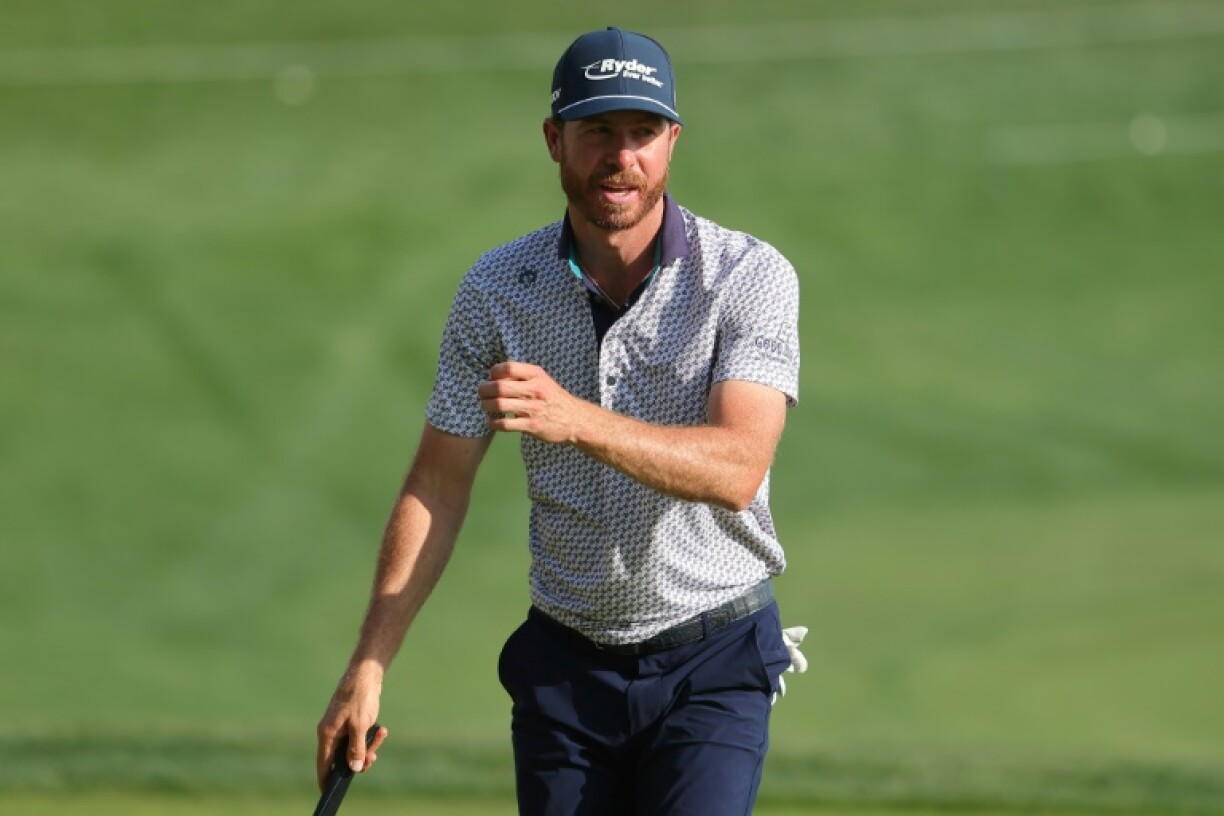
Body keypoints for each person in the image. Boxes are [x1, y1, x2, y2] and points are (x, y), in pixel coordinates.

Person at [316, 26, 803, 815]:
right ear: (555, 140)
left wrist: (576, 419)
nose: (622, 156)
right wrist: (368, 665)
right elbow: (438, 483)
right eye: (598, 131)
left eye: (643, 132)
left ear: (672, 141)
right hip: (567, 669)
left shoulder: (746, 277)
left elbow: (737, 469)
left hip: (711, 659)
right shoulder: (496, 289)